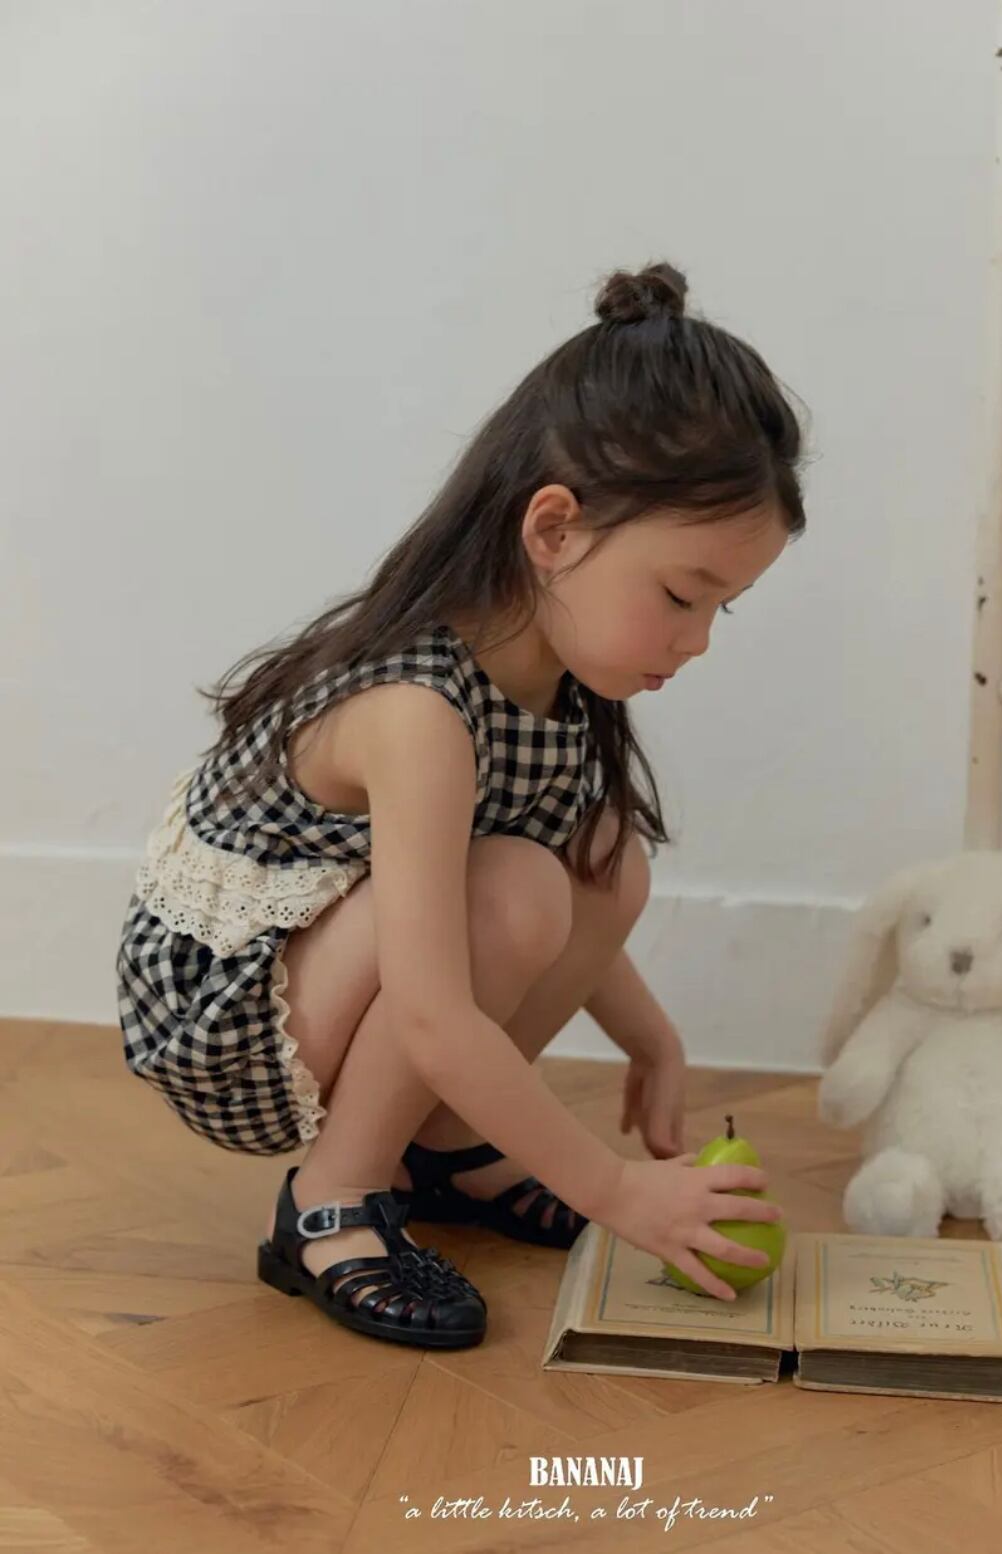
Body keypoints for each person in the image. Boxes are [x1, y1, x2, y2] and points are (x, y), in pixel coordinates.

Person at [115, 260, 806, 1350]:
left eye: (725, 608)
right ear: (554, 530)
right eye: (682, 595)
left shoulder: (553, 684)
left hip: (345, 966)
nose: (698, 641)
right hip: (233, 1015)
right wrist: (617, 1190)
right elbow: (437, 1007)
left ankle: (442, 1149)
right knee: (524, 884)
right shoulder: (418, 710)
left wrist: (654, 1040)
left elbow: (512, 913)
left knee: (604, 855)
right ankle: (332, 1200)